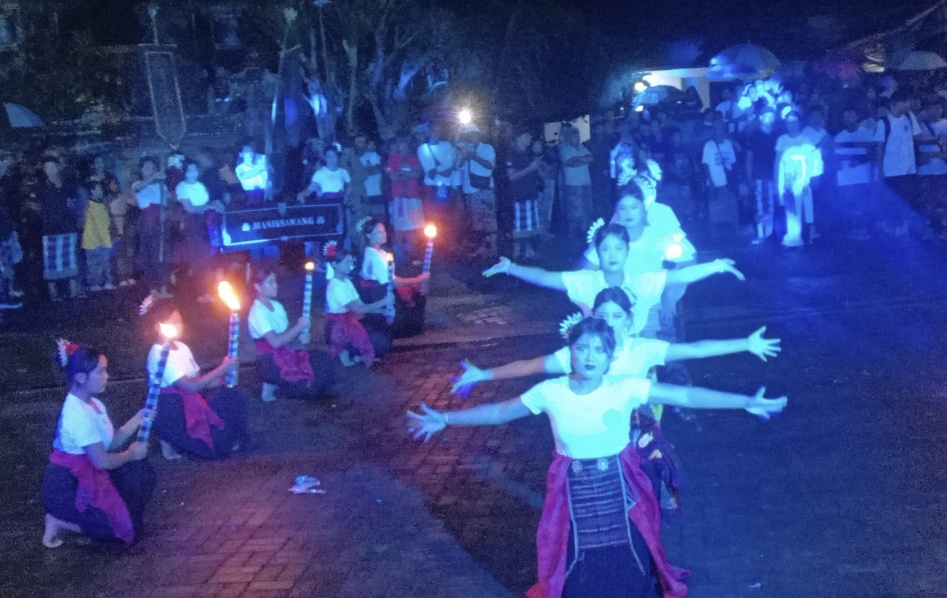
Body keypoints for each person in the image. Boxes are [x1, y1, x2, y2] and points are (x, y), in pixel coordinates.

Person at [408, 317, 787, 598]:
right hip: (572, 493)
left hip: (621, 488)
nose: (589, 356)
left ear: (610, 357)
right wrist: (445, 418)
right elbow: (500, 411)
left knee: (632, 562)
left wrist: (744, 403)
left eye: (599, 350)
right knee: (573, 564)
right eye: (582, 347)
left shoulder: (625, 388)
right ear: (570, 351)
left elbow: (684, 396)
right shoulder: (551, 391)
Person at [487, 222, 742, 336]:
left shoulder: (640, 281)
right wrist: (512, 268)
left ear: (627, 251)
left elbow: (679, 275)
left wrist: (715, 266)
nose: (612, 255)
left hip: (635, 365)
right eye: (605, 249)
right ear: (597, 252)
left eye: (618, 248)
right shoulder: (586, 281)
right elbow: (545, 277)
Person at [41, 340, 155, 548]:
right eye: (101, 372)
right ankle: (58, 520)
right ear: (81, 377)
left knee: (141, 474)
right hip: (67, 487)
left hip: (89, 473)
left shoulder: (94, 403)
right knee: (115, 530)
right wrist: (130, 453)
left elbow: (110, 442)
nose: (107, 376)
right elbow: (102, 461)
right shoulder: (78, 414)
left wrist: (139, 418)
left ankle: (125, 517)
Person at [144, 302, 249, 460]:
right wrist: (222, 368)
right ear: (158, 327)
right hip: (175, 412)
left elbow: (200, 380)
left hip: (195, 403)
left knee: (233, 396)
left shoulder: (182, 347)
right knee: (217, 451)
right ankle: (169, 438)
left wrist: (226, 378)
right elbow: (191, 387)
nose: (179, 326)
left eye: (179, 321)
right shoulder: (158, 355)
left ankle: (227, 438)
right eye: (173, 322)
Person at [248, 266, 336, 402]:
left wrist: (301, 337)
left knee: (325, 364)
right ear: (258, 287)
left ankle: (277, 382)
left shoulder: (277, 306)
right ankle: (271, 382)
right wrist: (299, 326)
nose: (276, 286)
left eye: (275, 281)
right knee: (309, 388)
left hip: (287, 352)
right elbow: (275, 342)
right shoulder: (258, 313)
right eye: (271, 283)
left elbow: (287, 335)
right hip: (270, 360)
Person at [324, 242, 393, 366]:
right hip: (340, 330)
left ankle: (352, 355)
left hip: (351, 323)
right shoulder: (335, 286)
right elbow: (359, 309)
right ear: (335, 264)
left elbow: (362, 305)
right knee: (381, 344)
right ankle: (345, 351)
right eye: (347, 262)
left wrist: (384, 311)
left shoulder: (347, 282)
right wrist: (383, 302)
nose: (350, 266)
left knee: (383, 339)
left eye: (351, 262)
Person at [775, 111, 823, 247]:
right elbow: (778, 163)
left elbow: (812, 162)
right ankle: (794, 239)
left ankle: (807, 238)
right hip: (787, 182)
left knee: (806, 210)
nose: (792, 124)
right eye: (789, 121)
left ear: (799, 122)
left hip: (803, 182)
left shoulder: (806, 140)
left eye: (794, 121)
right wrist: (778, 185)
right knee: (791, 210)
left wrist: (807, 181)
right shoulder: (782, 140)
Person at [174, 161, 218, 303]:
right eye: (189, 171)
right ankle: (199, 292)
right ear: (184, 172)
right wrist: (208, 206)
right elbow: (190, 208)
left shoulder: (201, 185)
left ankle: (208, 291)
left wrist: (213, 206)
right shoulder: (182, 187)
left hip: (205, 223)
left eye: (194, 170)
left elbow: (207, 203)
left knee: (208, 258)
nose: (192, 173)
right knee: (198, 258)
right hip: (192, 223)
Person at [39, 156, 81, 301]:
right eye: (47, 167)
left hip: (68, 226)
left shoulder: (67, 185)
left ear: (58, 167)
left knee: (70, 258)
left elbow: (74, 203)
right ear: (44, 170)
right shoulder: (41, 187)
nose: (50, 170)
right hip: (49, 228)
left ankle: (74, 290)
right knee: (51, 261)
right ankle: (54, 294)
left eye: (53, 167)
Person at [834, 107, 878, 240]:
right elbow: (835, 158)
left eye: (850, 116)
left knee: (863, 205)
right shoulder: (839, 137)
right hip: (845, 179)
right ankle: (853, 231)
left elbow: (873, 154)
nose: (848, 119)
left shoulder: (867, 134)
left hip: (863, 177)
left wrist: (859, 161)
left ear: (857, 117)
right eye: (845, 117)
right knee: (850, 206)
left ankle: (864, 231)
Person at [132, 156, 173, 299]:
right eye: (147, 168)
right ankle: (153, 287)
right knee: (148, 255)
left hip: (161, 223)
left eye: (153, 168)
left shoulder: (161, 186)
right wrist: (155, 175)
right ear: (142, 170)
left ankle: (163, 286)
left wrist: (165, 212)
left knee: (162, 254)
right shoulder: (138, 184)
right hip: (147, 222)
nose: (150, 171)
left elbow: (168, 201)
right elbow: (138, 189)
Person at [457, 124, 498, 258]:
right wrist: (463, 155)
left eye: (474, 134)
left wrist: (474, 156)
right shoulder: (463, 148)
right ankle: (482, 247)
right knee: (477, 221)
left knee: (489, 219)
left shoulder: (487, 148)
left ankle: (493, 247)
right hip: (470, 189)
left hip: (485, 188)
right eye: (469, 134)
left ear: (478, 135)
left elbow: (491, 166)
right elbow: (458, 167)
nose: (471, 136)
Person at [385, 136, 425, 257]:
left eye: (405, 143)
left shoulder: (414, 158)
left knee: (415, 225)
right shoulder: (392, 158)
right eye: (400, 143)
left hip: (413, 196)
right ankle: (399, 252)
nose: (403, 146)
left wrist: (401, 173)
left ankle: (413, 251)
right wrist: (408, 173)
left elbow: (417, 174)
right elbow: (392, 176)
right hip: (399, 197)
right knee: (399, 225)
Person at [507, 127, 542, 260]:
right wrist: (530, 168)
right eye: (526, 136)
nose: (529, 139)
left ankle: (527, 250)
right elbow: (511, 176)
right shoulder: (512, 154)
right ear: (518, 138)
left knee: (528, 227)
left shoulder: (526, 153)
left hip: (529, 193)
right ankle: (517, 254)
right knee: (519, 227)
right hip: (519, 195)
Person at [745, 108, 779, 243]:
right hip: (759, 176)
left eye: (772, 116)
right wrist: (749, 178)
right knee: (759, 205)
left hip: (774, 175)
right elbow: (749, 158)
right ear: (761, 117)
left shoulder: (777, 135)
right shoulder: (754, 135)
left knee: (771, 205)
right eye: (767, 116)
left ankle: (770, 234)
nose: (769, 118)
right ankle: (760, 235)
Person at [701, 122, 738, 237]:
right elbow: (705, 164)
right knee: (714, 208)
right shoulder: (709, 145)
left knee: (730, 206)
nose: (718, 131)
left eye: (720, 129)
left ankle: (734, 231)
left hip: (727, 182)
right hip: (714, 182)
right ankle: (714, 234)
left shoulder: (728, 144)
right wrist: (710, 181)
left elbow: (732, 163)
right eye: (716, 129)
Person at [558, 125, 595, 239]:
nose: (577, 138)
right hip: (573, 186)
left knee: (586, 211)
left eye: (578, 136)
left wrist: (578, 159)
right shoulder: (564, 148)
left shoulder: (582, 147)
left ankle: (585, 235)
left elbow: (591, 158)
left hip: (585, 185)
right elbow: (570, 163)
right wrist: (584, 159)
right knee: (573, 213)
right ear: (569, 137)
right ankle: (573, 237)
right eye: (575, 136)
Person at [81, 179, 114, 291]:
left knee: (99, 265)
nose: (101, 191)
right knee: (99, 264)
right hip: (96, 242)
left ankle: (99, 284)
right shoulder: (92, 206)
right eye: (98, 189)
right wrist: (107, 242)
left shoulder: (99, 205)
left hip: (94, 242)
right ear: (92, 191)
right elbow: (101, 227)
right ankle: (99, 283)